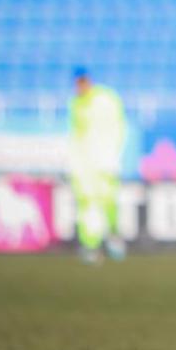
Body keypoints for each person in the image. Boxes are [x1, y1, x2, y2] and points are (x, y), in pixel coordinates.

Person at [68, 67, 127, 264]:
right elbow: (77, 135)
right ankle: (90, 245)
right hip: (85, 167)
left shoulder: (106, 98)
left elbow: (118, 127)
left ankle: (113, 238)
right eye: (78, 82)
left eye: (83, 81)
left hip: (106, 162)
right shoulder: (76, 104)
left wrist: (113, 156)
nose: (80, 86)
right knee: (87, 206)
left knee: (109, 203)